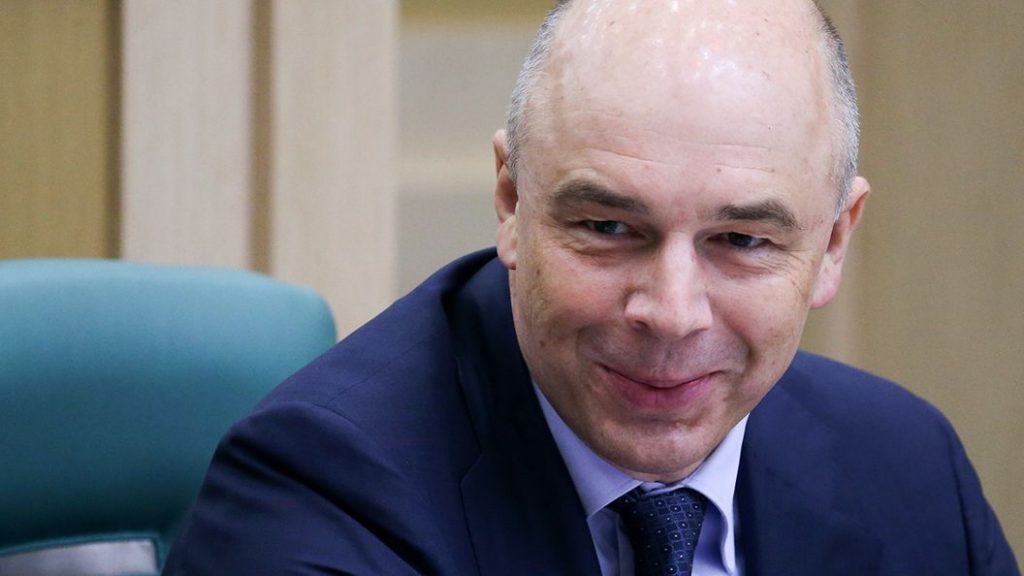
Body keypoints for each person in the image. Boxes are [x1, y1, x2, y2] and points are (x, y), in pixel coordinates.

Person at [164, 0, 1019, 574]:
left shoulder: (906, 468)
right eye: (609, 228)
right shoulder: (324, 493)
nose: (671, 314)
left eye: (741, 241)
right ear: (512, 202)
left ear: (833, 242)